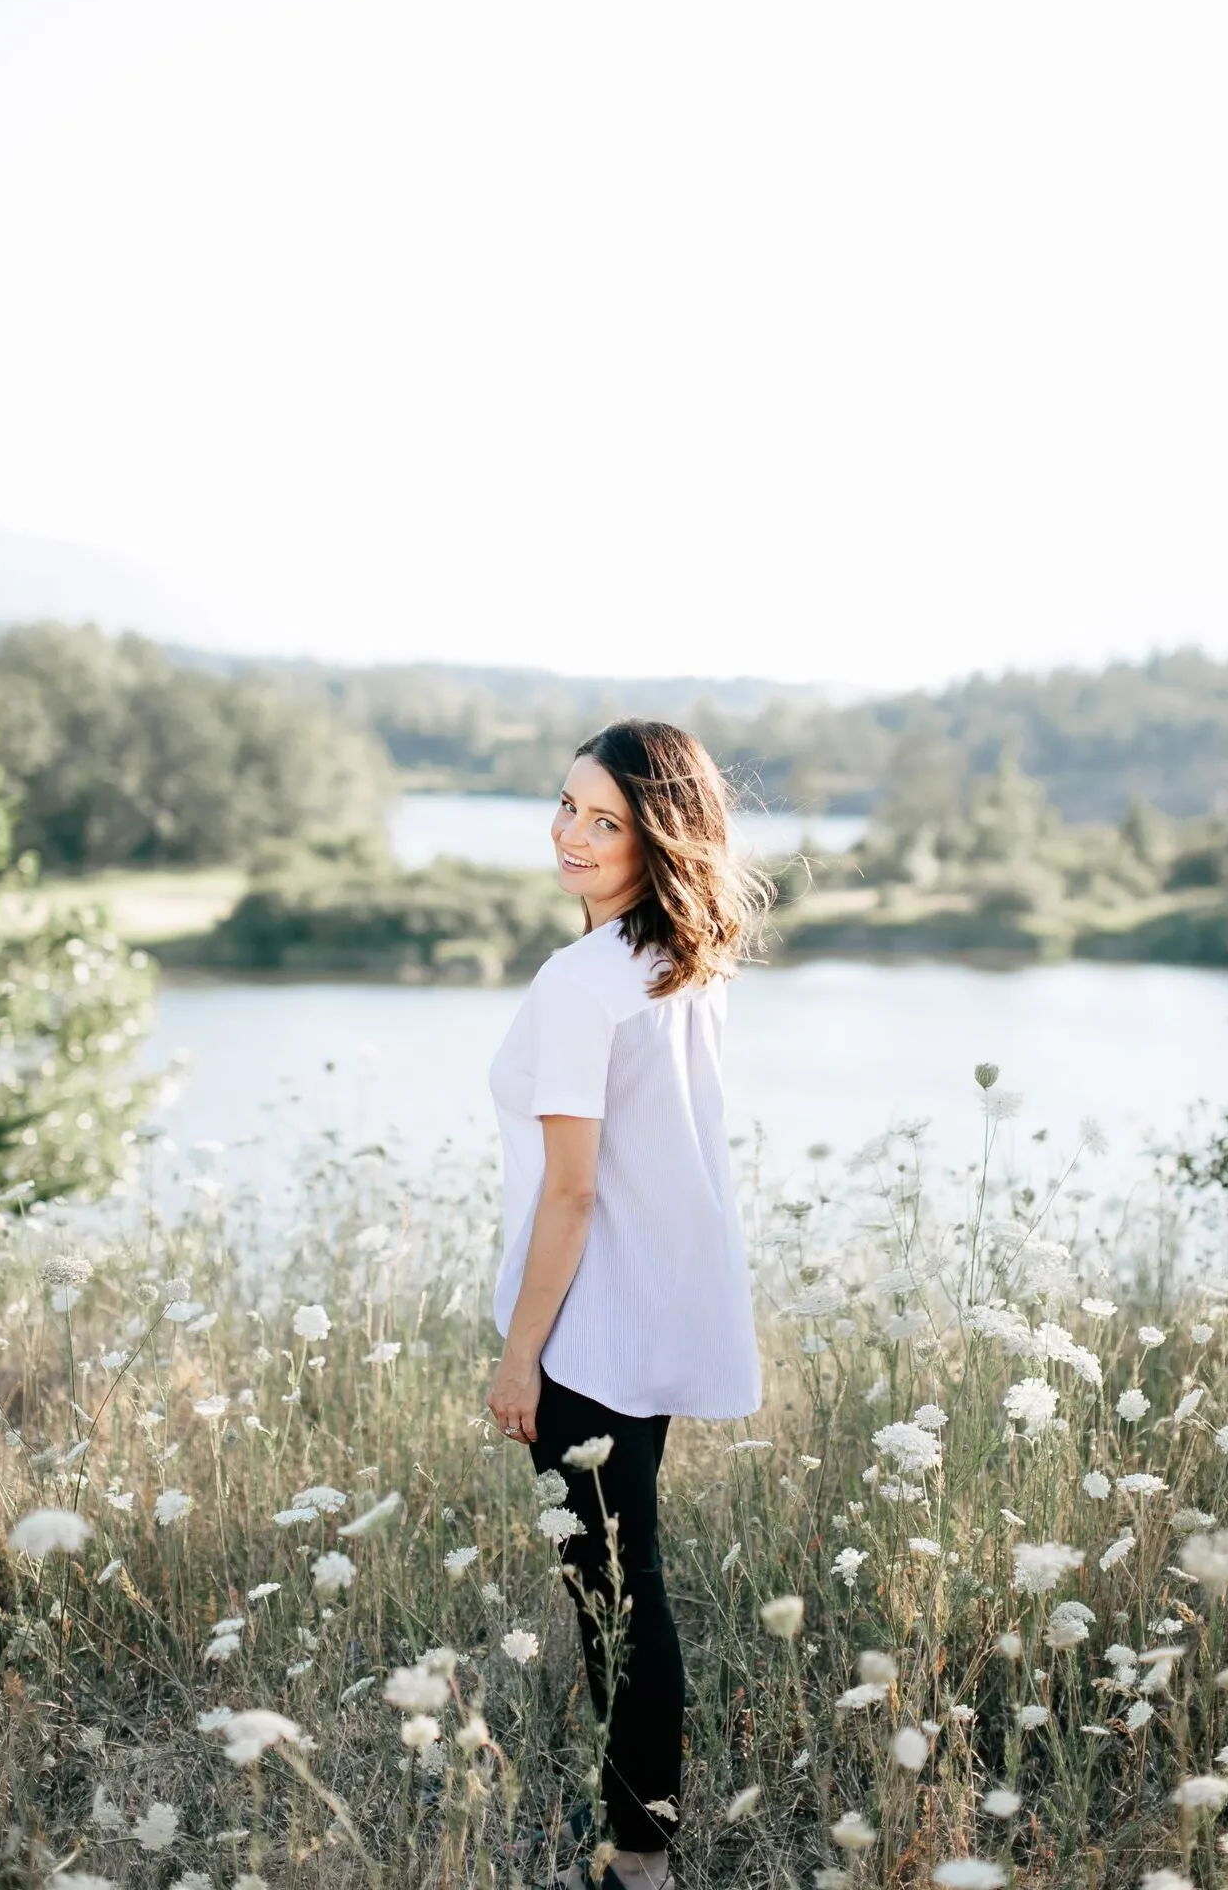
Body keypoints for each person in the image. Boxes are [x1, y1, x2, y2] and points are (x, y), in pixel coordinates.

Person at [485, 718, 775, 1890]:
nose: (571, 834)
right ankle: (640, 1837)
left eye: (605, 819)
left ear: (659, 835)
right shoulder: (678, 957)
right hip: (650, 1315)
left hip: (587, 1336)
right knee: (630, 1578)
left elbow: (571, 1190)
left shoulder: (582, 979)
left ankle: (640, 1860)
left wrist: (520, 1360)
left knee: (614, 1596)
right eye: (565, 806)